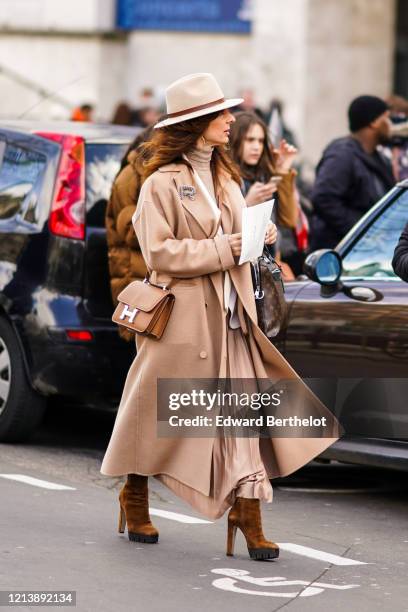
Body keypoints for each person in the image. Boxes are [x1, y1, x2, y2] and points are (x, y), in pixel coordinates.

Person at [100, 73, 340, 559]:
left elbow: (236, 239)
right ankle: (135, 492)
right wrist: (225, 246)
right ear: (198, 123)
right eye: (222, 113)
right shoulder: (160, 184)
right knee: (154, 412)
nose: (232, 119)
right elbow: (159, 253)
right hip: (182, 320)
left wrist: (259, 235)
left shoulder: (227, 177)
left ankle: (248, 514)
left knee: (243, 418)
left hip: (234, 316)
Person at [311, 95, 395, 250]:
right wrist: (363, 230)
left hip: (368, 252)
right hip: (340, 254)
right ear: (374, 122)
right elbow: (323, 198)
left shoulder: (379, 157)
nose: (391, 126)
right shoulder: (341, 155)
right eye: (387, 119)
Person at [229, 110, 299, 280]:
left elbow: (289, 219)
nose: (256, 147)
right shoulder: (226, 177)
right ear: (235, 140)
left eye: (260, 141)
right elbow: (222, 228)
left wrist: (283, 170)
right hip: (240, 271)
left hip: (268, 267)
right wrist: (247, 203)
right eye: (250, 140)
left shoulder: (264, 174)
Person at [105, 127, 154, 341]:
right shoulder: (130, 179)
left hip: (146, 279)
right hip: (135, 279)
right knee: (142, 358)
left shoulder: (149, 174)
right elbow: (134, 233)